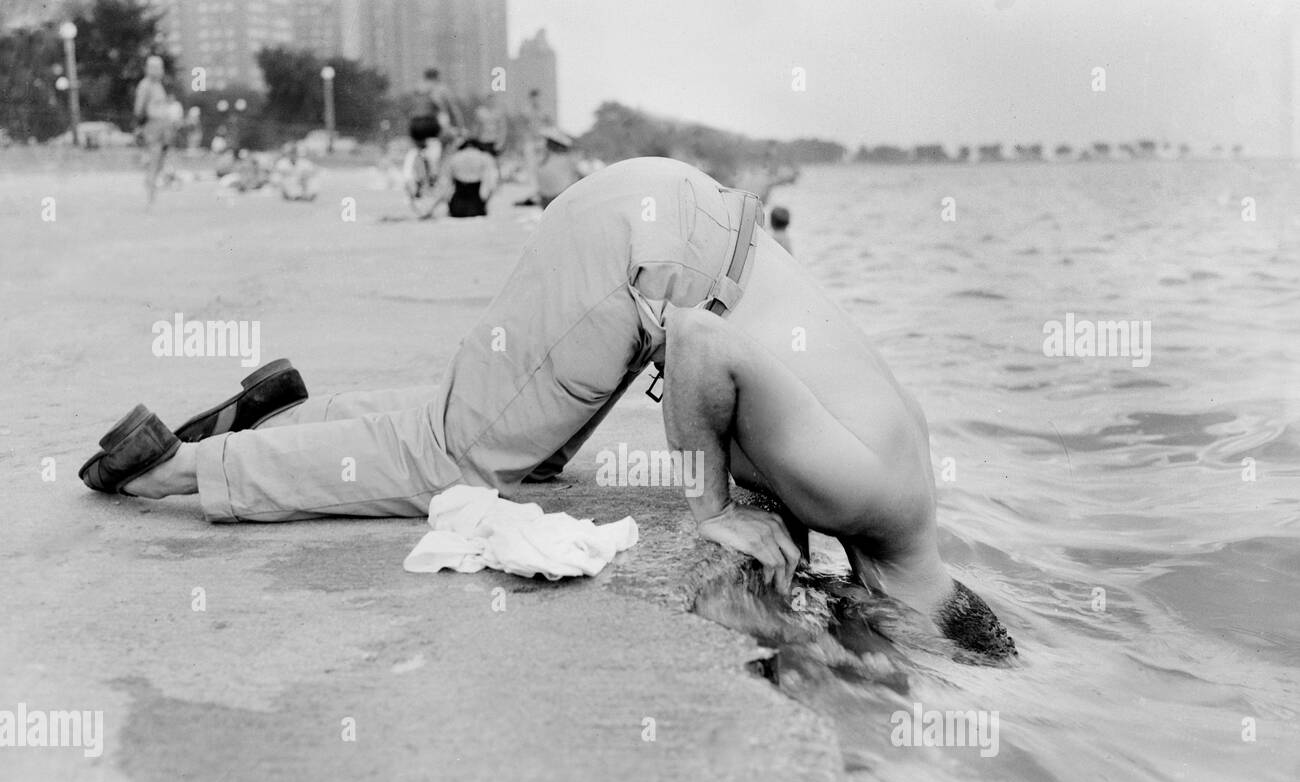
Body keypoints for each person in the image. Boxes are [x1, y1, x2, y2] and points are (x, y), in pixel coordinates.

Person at [78, 157, 1015, 660]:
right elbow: (701, 344)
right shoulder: (859, 495)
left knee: (497, 439)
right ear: (918, 612)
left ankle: (276, 420)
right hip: (644, 263)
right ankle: (178, 469)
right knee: (453, 464)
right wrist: (712, 507)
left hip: (668, 220)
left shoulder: (901, 488)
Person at [133, 55, 175, 205]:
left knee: (160, 161)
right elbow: (139, 109)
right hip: (152, 125)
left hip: (162, 126)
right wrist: (141, 127)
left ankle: (152, 190)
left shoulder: (158, 85)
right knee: (154, 159)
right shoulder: (145, 85)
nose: (158, 70)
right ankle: (150, 196)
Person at [434, 138, 498, 217]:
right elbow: (491, 182)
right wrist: (485, 200)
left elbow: (445, 182)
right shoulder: (484, 157)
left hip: (457, 207)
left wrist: (447, 200)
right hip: (476, 206)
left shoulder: (454, 157)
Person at [534, 128, 582, 209]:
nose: (544, 144)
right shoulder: (547, 158)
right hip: (550, 197)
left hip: (556, 197)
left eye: (547, 142)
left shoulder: (565, 159)